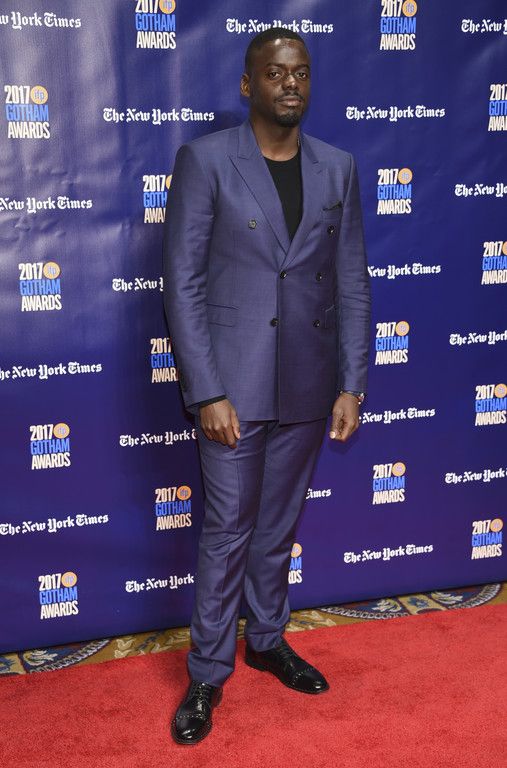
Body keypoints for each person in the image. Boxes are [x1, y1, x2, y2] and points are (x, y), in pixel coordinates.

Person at [162, 27, 370, 745]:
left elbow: (351, 281)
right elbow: (182, 283)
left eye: (301, 72)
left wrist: (352, 383)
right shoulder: (205, 160)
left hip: (309, 385)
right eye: (276, 73)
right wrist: (207, 391)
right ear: (249, 84)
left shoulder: (338, 167)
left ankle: (268, 640)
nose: (290, 84)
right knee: (227, 531)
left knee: (278, 529)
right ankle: (206, 673)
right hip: (233, 388)